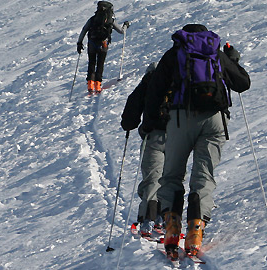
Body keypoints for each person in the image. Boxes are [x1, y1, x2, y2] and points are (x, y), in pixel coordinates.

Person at [146, 24, 251, 258]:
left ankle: (172, 229)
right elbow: (243, 83)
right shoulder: (215, 53)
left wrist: (151, 121)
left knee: (172, 175)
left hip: (181, 119)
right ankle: (195, 232)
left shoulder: (175, 53)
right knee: (204, 176)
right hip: (215, 120)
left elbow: (155, 89)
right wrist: (232, 61)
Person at [120, 62, 168, 239]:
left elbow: (131, 113)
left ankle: (148, 221)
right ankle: (167, 219)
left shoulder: (148, 82)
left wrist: (129, 125)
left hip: (153, 136)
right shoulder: (177, 81)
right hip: (178, 137)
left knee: (152, 178)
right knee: (171, 178)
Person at [77, 1, 127, 95]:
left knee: (92, 62)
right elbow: (121, 31)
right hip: (103, 44)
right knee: (100, 64)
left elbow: (84, 30)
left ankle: (90, 84)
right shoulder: (110, 20)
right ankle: (98, 84)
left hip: (92, 43)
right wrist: (125, 25)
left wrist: (79, 43)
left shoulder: (93, 19)